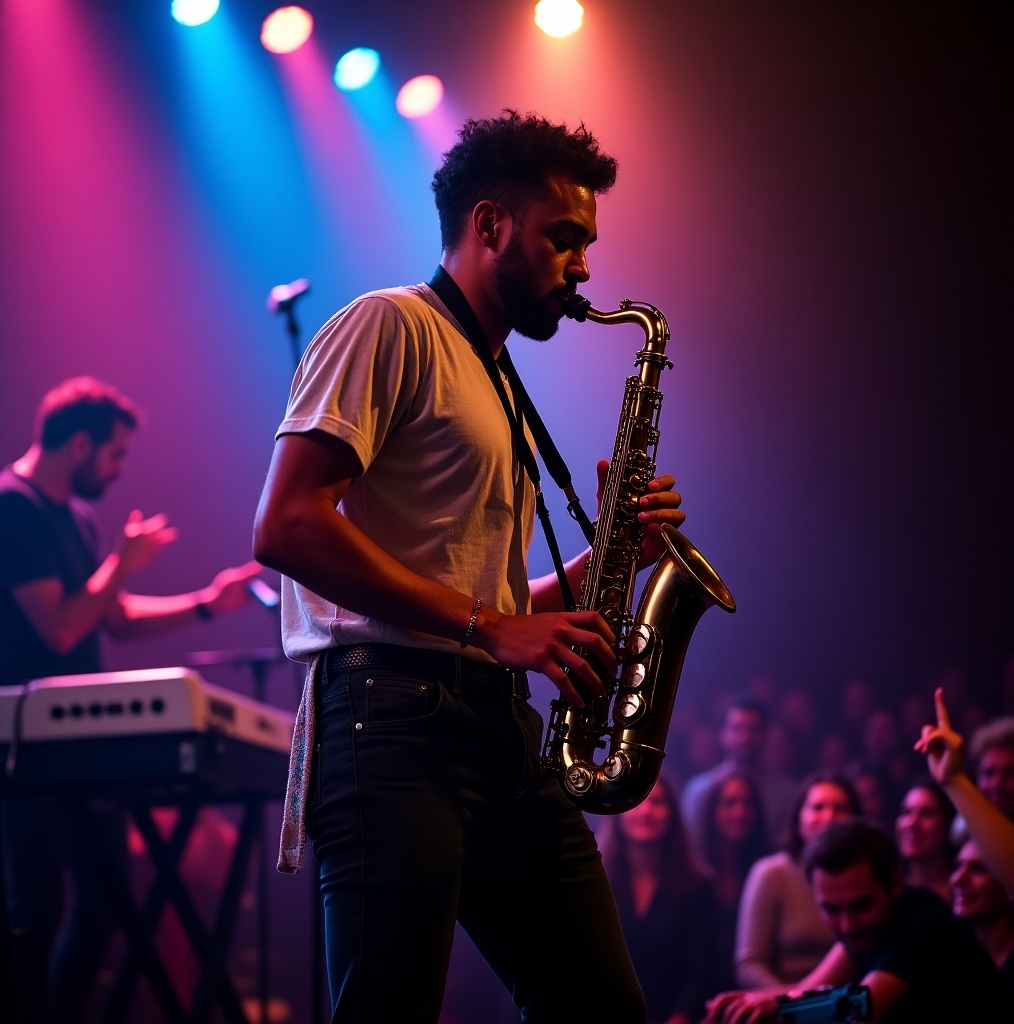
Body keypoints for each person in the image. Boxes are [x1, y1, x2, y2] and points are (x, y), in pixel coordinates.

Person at [252, 109, 689, 1023]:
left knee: (602, 1008)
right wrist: (494, 628)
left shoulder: (497, 376)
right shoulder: (389, 324)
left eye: (587, 245)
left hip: (494, 723)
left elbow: (480, 598)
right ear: (490, 225)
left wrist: (605, 559)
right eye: (564, 238)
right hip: (391, 723)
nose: (582, 267)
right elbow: (288, 524)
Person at [0, 375, 263, 1024]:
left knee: (105, 902)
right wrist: (122, 560)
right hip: (28, 747)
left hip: (84, 748)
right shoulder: (14, 508)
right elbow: (61, 627)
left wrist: (206, 603)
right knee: (36, 912)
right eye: (116, 455)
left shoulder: (77, 519)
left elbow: (111, 617)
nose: (119, 471)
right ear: (81, 445)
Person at [705, 819, 1014, 1023]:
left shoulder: (922, 922)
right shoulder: (863, 930)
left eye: (860, 906)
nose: (847, 925)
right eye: (831, 909)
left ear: (894, 884)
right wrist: (746, 1002)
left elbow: (861, 1009)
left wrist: (775, 1007)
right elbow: (808, 988)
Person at [598, 773, 719, 1024]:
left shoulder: (698, 886)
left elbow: (703, 968)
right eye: (637, 801)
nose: (646, 811)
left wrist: (681, 1016)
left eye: (658, 802)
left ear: (673, 814)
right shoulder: (597, 883)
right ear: (618, 811)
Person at [734, 772, 861, 989]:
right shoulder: (771, 873)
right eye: (817, 807)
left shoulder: (864, 876)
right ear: (799, 818)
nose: (829, 817)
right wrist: (789, 1006)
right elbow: (749, 964)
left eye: (840, 808)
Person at [915, 688, 1014, 907]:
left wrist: (955, 780)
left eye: (1010, 773)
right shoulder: (961, 833)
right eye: (989, 773)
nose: (997, 784)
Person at [682, 693, 799, 860]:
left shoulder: (787, 794)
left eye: (753, 729)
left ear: (765, 735)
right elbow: (691, 850)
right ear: (723, 733)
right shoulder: (698, 790)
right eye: (738, 728)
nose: (745, 738)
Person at [699, 770, 767, 993]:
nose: (740, 812)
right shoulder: (692, 871)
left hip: (756, 991)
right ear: (712, 811)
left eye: (748, 804)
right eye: (729, 803)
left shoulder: (767, 872)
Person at [950, 836, 1014, 1018]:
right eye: (957, 866)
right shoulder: (946, 957)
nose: (958, 879)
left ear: (1010, 884)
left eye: (977, 869)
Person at [893, 776, 956, 902]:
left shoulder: (963, 892)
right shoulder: (888, 893)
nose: (912, 823)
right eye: (906, 812)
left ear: (949, 824)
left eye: (926, 813)